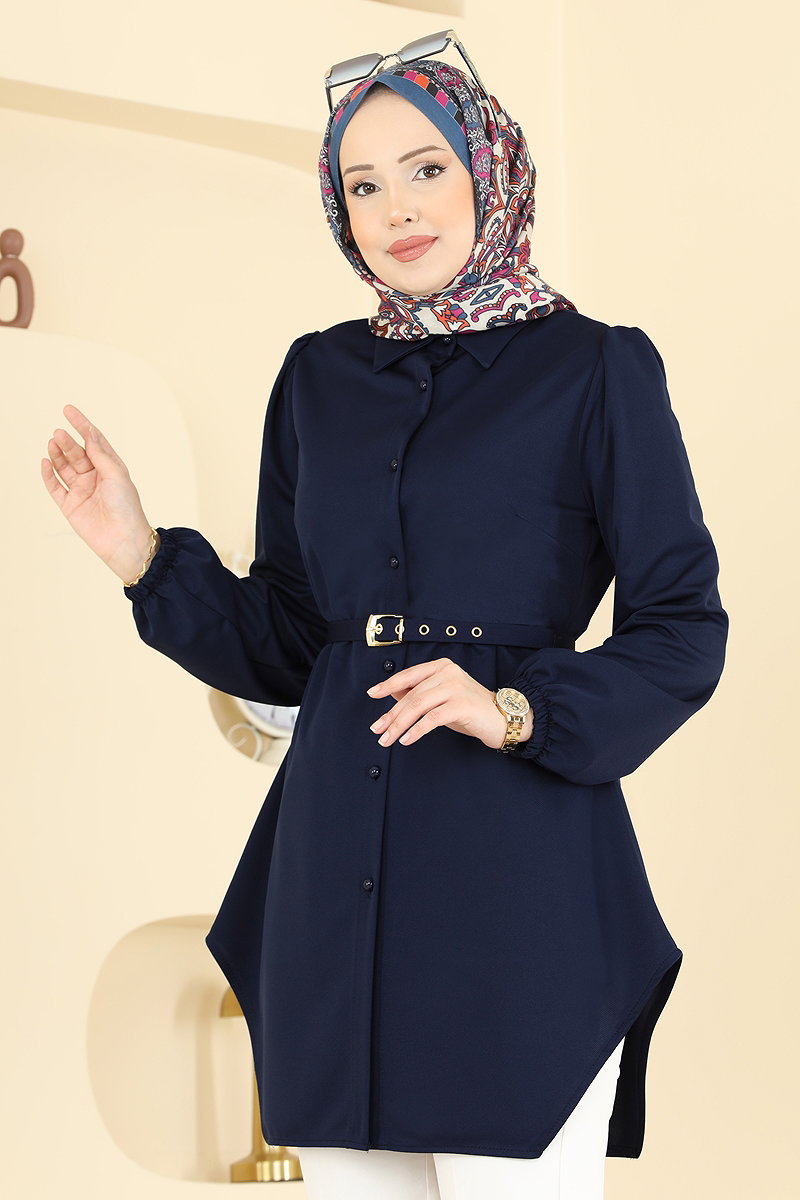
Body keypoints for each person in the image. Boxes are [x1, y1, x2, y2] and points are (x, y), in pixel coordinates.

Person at [40, 41, 729, 1200]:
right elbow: (289, 638)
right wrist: (140, 554)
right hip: (330, 883)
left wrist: (513, 707)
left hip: (515, 897)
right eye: (362, 185)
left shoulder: (594, 370)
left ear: (488, 169)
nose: (395, 209)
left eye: (424, 169)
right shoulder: (316, 379)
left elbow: (681, 629)